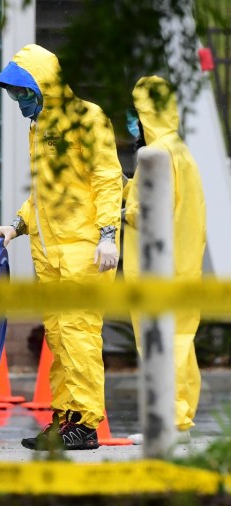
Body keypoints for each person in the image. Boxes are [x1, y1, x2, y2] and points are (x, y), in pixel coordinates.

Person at [0, 44, 124, 451]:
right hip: (51, 258)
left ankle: (85, 424)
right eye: (15, 94)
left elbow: (106, 178)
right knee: (60, 340)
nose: (19, 101)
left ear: (44, 85)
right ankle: (66, 421)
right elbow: (44, 197)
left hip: (83, 253)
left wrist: (107, 235)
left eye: (24, 92)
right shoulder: (40, 129)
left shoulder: (88, 119)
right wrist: (16, 226)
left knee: (79, 337)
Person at [122, 75, 206, 445]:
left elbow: (146, 210)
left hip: (158, 267)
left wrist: (122, 208)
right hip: (184, 264)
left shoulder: (159, 154)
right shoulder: (181, 151)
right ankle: (180, 418)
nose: (131, 123)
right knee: (181, 341)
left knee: (162, 342)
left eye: (135, 114)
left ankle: (168, 423)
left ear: (146, 114)